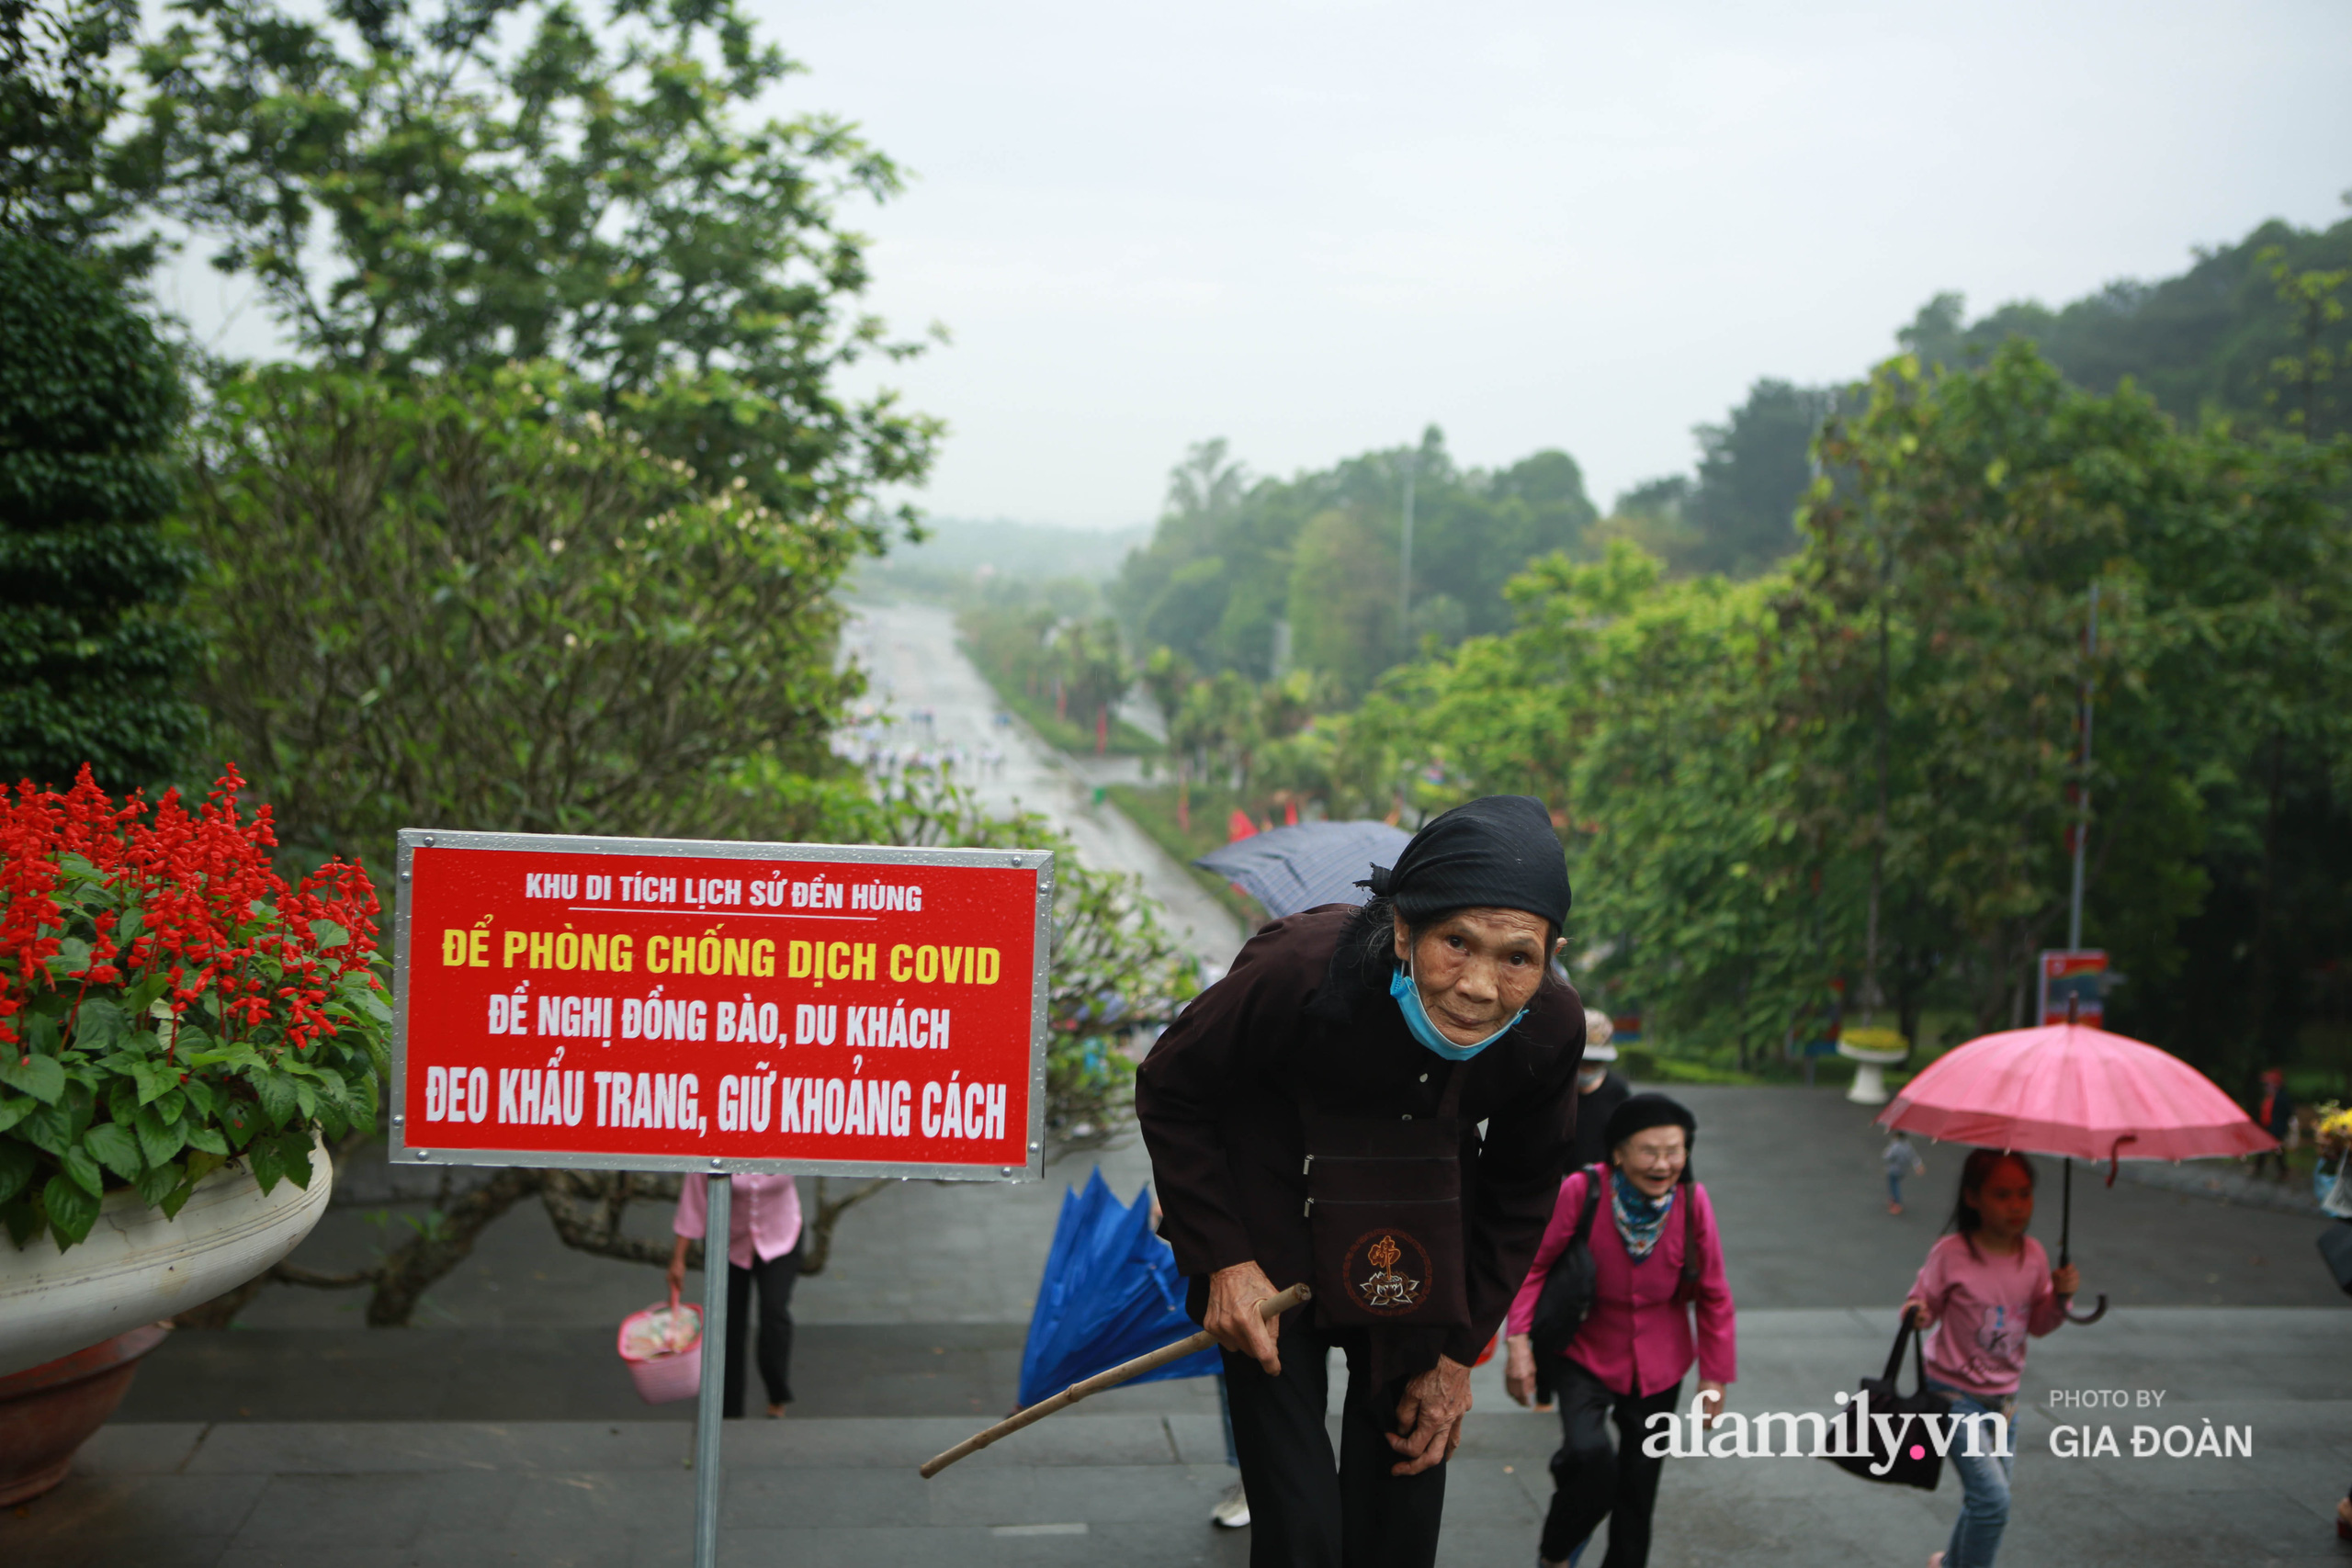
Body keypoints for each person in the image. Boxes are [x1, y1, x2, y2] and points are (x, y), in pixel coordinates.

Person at [1136, 795, 1585, 1568]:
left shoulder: (1548, 1028)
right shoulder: (1297, 970)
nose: (1480, 986)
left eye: (1517, 956)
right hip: (1271, 1239)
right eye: (1456, 943)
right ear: (1404, 928)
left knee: (1400, 1513)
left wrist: (1459, 1354)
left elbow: (1522, 1187)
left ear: (1551, 952)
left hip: (1415, 1242)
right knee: (1300, 1526)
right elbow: (1174, 1087)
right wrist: (1224, 1260)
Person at [1505, 1094, 1736, 1568]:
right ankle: (1557, 1551)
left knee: (1638, 1485)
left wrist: (1714, 1378)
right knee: (1589, 1458)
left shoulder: (1694, 1202)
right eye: (1649, 1151)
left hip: (1661, 1362)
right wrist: (1519, 1343)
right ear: (1618, 1153)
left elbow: (1714, 1294)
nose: (1663, 1164)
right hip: (1584, 1351)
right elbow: (1535, 1266)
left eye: (1674, 1151)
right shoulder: (1582, 1189)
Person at [1902, 1149, 2081, 1568]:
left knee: (1985, 1499)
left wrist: (2062, 1297)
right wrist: (1917, 1313)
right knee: (1993, 1501)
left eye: (2024, 1194)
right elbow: (1919, 1303)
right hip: (1951, 1396)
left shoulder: (2034, 1256)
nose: (2016, 1205)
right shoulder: (1952, 1253)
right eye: (2002, 1195)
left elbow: (2038, 1323)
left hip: (2004, 1404)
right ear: (1972, 1198)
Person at [666, 1172, 803, 1418]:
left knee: (774, 1312)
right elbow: (693, 1204)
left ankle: (777, 1394)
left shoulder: (784, 1136)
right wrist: (678, 1259)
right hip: (728, 1242)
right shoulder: (712, 1143)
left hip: (781, 1237)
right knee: (729, 1324)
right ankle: (728, 1409)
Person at [2249, 1069, 2294, 1182]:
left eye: (2268, 1084)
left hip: (2276, 1129)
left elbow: (2288, 1113)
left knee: (2276, 1151)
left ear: (2276, 1084)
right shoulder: (2270, 1097)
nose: (2266, 1087)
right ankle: (2260, 1168)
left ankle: (2281, 1172)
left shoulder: (2282, 1098)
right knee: (2267, 1150)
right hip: (2268, 1128)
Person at [1884, 1129, 1928, 1215]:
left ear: (1896, 1136)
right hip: (1902, 1170)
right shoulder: (1907, 1145)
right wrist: (1918, 1166)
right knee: (1895, 1183)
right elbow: (1913, 1156)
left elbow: (1887, 1157)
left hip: (1893, 1169)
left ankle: (1896, 1202)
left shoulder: (1895, 1146)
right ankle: (1893, 1199)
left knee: (1894, 1185)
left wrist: (1888, 1150)